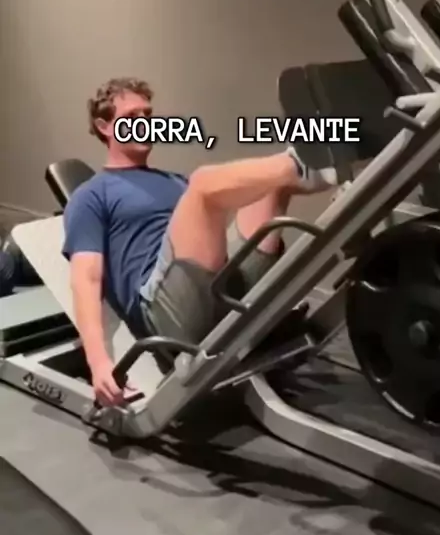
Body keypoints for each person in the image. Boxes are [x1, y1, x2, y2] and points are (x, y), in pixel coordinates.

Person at [63, 77, 339, 407]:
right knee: (205, 182)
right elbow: (86, 277)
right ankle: (303, 163)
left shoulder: (173, 180)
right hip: (166, 311)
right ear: (104, 126)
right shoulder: (91, 195)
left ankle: (336, 172)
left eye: (148, 115)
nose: (145, 124)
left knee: (270, 185)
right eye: (132, 117)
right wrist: (98, 362)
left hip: (218, 287)